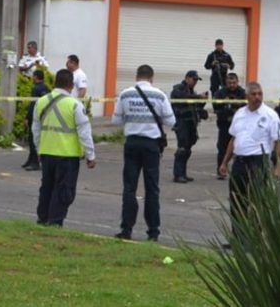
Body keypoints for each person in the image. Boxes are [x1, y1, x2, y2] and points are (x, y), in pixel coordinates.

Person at [111, 64, 175, 242]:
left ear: (136, 76)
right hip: (151, 145)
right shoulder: (159, 95)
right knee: (152, 189)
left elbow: (116, 120)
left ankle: (126, 229)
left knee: (129, 188)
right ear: (151, 77)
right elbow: (171, 121)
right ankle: (153, 232)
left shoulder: (125, 94)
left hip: (132, 143)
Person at [218, 82, 280, 237]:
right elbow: (233, 139)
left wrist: (279, 166)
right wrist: (224, 162)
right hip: (240, 161)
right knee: (237, 200)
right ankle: (238, 238)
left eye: (260, 94)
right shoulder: (240, 114)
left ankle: (255, 238)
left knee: (257, 201)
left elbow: (279, 141)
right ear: (246, 96)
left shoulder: (270, 115)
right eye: (253, 94)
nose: (257, 97)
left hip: (259, 161)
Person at [32, 69, 96, 226]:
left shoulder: (41, 102)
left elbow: (36, 130)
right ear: (71, 85)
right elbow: (84, 132)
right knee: (64, 190)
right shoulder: (75, 105)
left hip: (47, 152)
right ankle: (55, 222)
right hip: (68, 155)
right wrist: (90, 155)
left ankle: (43, 218)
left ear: (54, 83)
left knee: (46, 187)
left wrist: (38, 149)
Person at [170, 70, 208, 183]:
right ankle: (178, 175)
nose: (195, 82)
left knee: (187, 149)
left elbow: (196, 106)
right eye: (193, 79)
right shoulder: (178, 89)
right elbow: (183, 98)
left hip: (191, 123)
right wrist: (198, 97)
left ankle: (183, 173)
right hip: (182, 122)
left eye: (196, 80)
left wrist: (203, 101)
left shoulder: (191, 91)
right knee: (182, 149)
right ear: (187, 78)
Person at [212, 73, 246, 180]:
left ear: (237, 82)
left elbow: (248, 106)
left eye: (234, 83)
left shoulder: (242, 92)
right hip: (224, 124)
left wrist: (238, 103)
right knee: (222, 148)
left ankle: (239, 171)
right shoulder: (221, 93)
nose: (232, 85)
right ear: (226, 83)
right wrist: (224, 103)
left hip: (239, 125)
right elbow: (215, 106)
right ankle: (221, 170)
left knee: (239, 148)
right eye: (229, 83)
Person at [22, 70, 51, 171]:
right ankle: (30, 160)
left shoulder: (36, 89)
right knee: (36, 139)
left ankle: (35, 163)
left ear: (36, 77)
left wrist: (27, 118)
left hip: (35, 117)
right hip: (44, 117)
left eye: (33, 76)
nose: (32, 78)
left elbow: (33, 105)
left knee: (32, 140)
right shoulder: (46, 88)